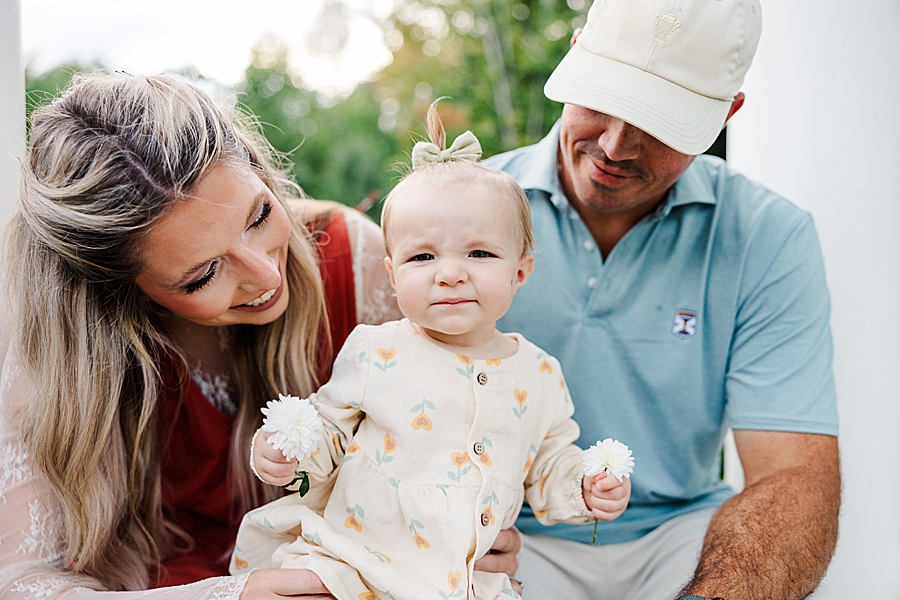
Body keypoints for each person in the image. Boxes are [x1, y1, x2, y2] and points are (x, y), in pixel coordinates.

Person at [0, 73, 520, 600]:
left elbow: (471, 417)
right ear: (119, 291)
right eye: (203, 275)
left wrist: (470, 522)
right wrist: (230, 595)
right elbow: (22, 582)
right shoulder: (57, 354)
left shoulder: (358, 262)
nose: (268, 276)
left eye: (261, 215)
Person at [482, 1, 841, 599]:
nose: (616, 146)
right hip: (510, 529)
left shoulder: (769, 234)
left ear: (728, 115)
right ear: (574, 56)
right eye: (604, 99)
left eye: (661, 122)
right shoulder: (460, 210)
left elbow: (794, 476)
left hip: (683, 536)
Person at [231, 104, 631, 600]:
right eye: (423, 257)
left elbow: (549, 462)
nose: (449, 273)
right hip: (355, 564)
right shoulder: (378, 350)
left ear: (520, 271)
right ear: (394, 275)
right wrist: (292, 452)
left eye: (479, 253)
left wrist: (586, 486)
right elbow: (331, 428)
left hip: (466, 581)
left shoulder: (540, 373)